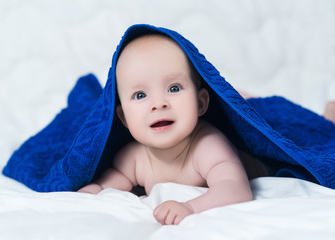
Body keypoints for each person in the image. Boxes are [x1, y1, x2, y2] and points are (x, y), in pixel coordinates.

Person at [78, 33, 254, 225]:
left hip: (251, 158)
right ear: (124, 118)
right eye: (140, 95)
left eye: (174, 88)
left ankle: (247, 98)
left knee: (254, 106)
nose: (158, 104)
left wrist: (191, 207)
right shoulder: (134, 157)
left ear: (201, 102)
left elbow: (236, 188)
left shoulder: (208, 145)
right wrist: (93, 191)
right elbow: (108, 185)